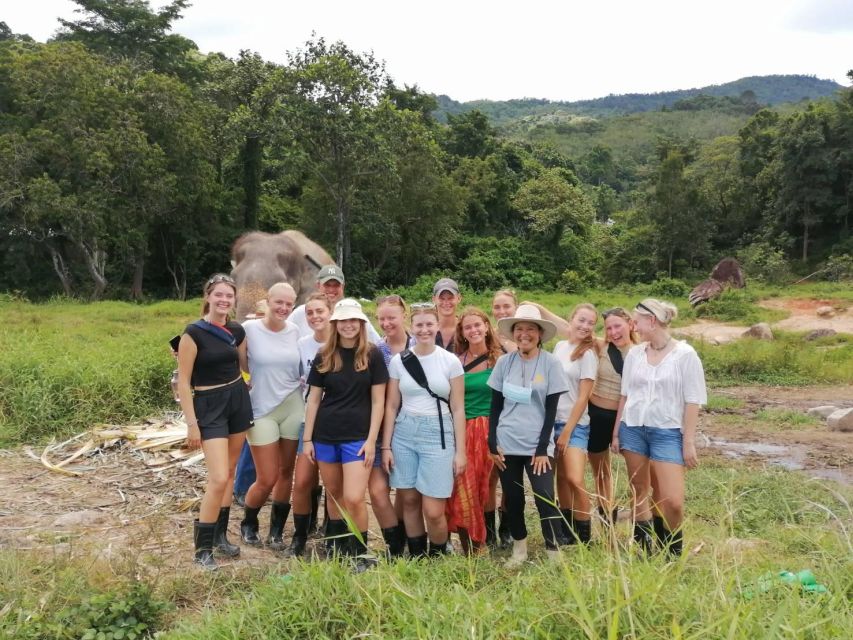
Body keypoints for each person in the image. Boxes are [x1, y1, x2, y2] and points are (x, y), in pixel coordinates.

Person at [612, 299, 707, 558]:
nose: (635, 326)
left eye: (637, 321)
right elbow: (625, 394)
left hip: (667, 433)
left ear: (652, 321)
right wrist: (617, 431)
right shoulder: (635, 354)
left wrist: (688, 442)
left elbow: (693, 400)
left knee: (672, 501)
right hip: (633, 429)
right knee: (639, 492)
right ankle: (645, 550)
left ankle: (672, 551)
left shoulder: (685, 355)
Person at [303, 299, 389, 572]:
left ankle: (360, 553)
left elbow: (379, 402)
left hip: (358, 437)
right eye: (343, 320)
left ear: (361, 324)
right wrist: (307, 439)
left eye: (353, 320)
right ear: (336, 324)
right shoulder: (325, 355)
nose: (348, 325)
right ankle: (338, 545)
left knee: (353, 496)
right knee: (334, 493)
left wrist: (372, 440)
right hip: (325, 435)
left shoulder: (372, 355)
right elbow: (314, 400)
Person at [176, 274, 253, 570]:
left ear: (234, 300)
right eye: (218, 295)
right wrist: (191, 423)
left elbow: (245, 364)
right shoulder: (192, 333)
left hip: (237, 401)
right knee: (218, 478)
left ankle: (220, 536)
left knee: (230, 473)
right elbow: (183, 382)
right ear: (208, 297)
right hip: (209, 406)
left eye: (229, 296)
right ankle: (202, 549)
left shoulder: (237, 330)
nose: (224, 300)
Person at [382, 303, 467, 557]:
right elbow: (391, 405)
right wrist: (386, 445)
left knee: (433, 509)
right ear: (411, 327)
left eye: (430, 324)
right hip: (404, 431)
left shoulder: (450, 361)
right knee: (408, 499)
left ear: (438, 325)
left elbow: (458, 408)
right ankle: (417, 555)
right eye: (419, 324)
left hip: (438, 432)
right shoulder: (399, 361)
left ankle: (438, 554)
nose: (424, 329)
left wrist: (460, 451)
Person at [488, 305, 568, 567]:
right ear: (513, 333)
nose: (524, 334)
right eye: (519, 329)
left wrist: (543, 448)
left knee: (545, 497)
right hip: (507, 442)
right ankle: (519, 550)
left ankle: (554, 552)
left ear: (540, 334)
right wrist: (492, 442)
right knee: (514, 499)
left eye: (530, 329)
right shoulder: (504, 362)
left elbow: (551, 411)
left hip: (538, 445)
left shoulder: (551, 363)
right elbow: (496, 405)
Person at [238, 283, 303, 552]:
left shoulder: (295, 331)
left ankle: (276, 531)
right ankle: (249, 522)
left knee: (287, 471)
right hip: (261, 408)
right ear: (267, 301)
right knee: (267, 477)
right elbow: (231, 356)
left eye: (289, 304)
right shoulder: (248, 329)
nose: (284, 309)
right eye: (279, 302)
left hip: (292, 404)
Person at [445, 307, 502, 554]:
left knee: (486, 485)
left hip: (492, 428)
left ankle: (487, 537)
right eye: (468, 327)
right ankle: (471, 541)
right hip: (463, 429)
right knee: (462, 485)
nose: (474, 330)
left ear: (487, 326)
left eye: (478, 325)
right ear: (463, 333)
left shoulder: (500, 359)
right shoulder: (457, 362)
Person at [372, 295, 417, 557]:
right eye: (382, 318)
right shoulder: (377, 350)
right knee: (378, 492)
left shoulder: (420, 345)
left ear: (403, 315)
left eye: (392, 317)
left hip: (412, 426)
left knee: (405, 491)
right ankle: (395, 544)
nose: (387, 323)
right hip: (381, 428)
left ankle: (407, 543)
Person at [553, 303, 600, 545]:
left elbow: (584, 396)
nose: (585, 326)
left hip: (575, 425)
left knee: (575, 478)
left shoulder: (588, 354)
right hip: (553, 421)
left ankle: (585, 534)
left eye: (590, 323)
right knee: (560, 479)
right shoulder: (560, 347)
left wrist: (568, 431)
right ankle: (566, 531)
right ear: (571, 319)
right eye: (581, 320)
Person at [289, 293, 333, 557]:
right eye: (310, 312)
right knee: (303, 480)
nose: (315, 317)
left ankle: (332, 533)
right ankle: (300, 535)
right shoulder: (302, 344)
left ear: (330, 313)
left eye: (320, 311)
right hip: (307, 418)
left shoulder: (344, 341)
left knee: (332, 482)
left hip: (336, 421)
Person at [588, 308, 638, 525]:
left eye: (618, 326)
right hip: (597, 415)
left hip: (627, 419)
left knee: (636, 475)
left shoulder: (642, 352)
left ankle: (641, 520)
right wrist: (538, 308)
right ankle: (607, 518)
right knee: (601, 472)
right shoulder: (602, 346)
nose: (613, 332)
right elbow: (568, 328)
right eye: (609, 328)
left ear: (630, 324)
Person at [290, 265, 381, 341]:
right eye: (327, 285)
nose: (331, 289)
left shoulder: (354, 314)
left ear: (343, 287)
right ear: (318, 285)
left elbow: (377, 343)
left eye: (336, 285)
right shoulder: (302, 312)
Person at [433, 278, 462, 352]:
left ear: (459, 298)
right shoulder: (427, 329)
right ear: (434, 299)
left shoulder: (465, 328)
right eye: (442, 298)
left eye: (450, 298)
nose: (446, 303)